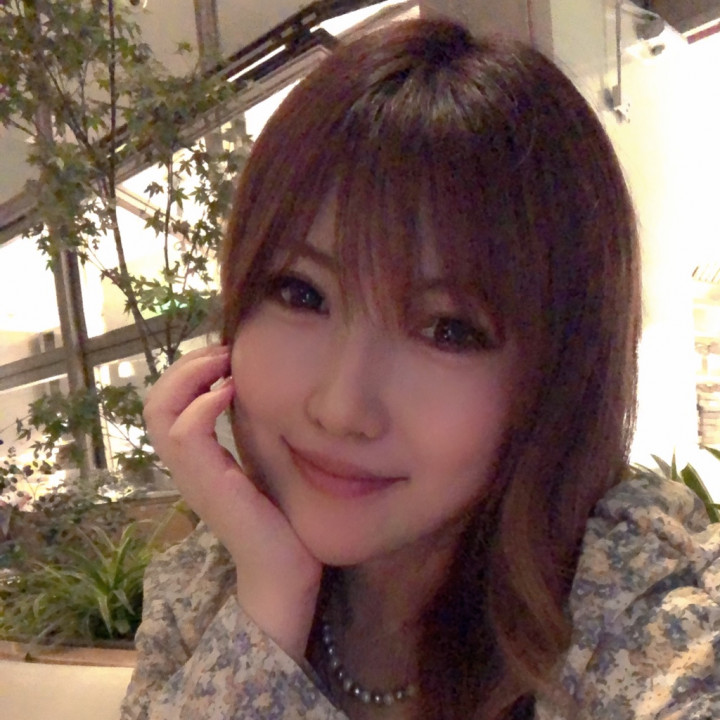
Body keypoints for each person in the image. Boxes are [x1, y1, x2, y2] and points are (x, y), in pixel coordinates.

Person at [120, 17, 720, 720]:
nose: (341, 408)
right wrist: (269, 602)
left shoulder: (646, 615)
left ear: (557, 375)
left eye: (448, 330)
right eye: (302, 293)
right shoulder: (200, 593)